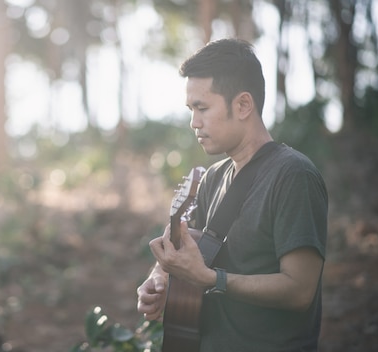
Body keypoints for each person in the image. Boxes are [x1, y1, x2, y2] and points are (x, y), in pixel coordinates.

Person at [136, 38, 328, 351]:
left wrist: (213, 280)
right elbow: (185, 248)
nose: (193, 123)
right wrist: (157, 280)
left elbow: (300, 290)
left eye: (202, 108)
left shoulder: (293, 175)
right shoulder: (211, 178)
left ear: (242, 105)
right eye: (190, 110)